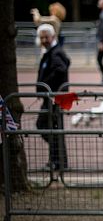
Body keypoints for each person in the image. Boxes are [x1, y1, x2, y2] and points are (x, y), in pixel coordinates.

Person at [36, 24, 70, 171]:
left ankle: (59, 161)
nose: (44, 40)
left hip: (54, 98)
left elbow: (62, 68)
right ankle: (58, 161)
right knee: (52, 129)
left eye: (46, 37)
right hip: (51, 98)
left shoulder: (55, 53)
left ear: (53, 37)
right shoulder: (50, 52)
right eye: (41, 37)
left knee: (46, 127)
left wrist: (47, 85)